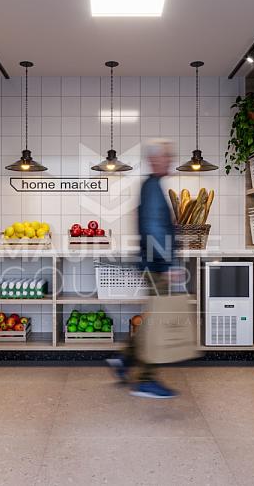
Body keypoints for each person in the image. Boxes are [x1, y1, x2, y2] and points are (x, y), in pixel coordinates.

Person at [107, 139, 178, 399]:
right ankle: (146, 381)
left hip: (153, 263)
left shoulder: (152, 186)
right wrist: (169, 264)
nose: (170, 160)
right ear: (154, 159)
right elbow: (153, 228)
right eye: (166, 156)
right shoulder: (152, 188)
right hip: (157, 265)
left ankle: (125, 360)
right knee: (158, 322)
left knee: (153, 318)